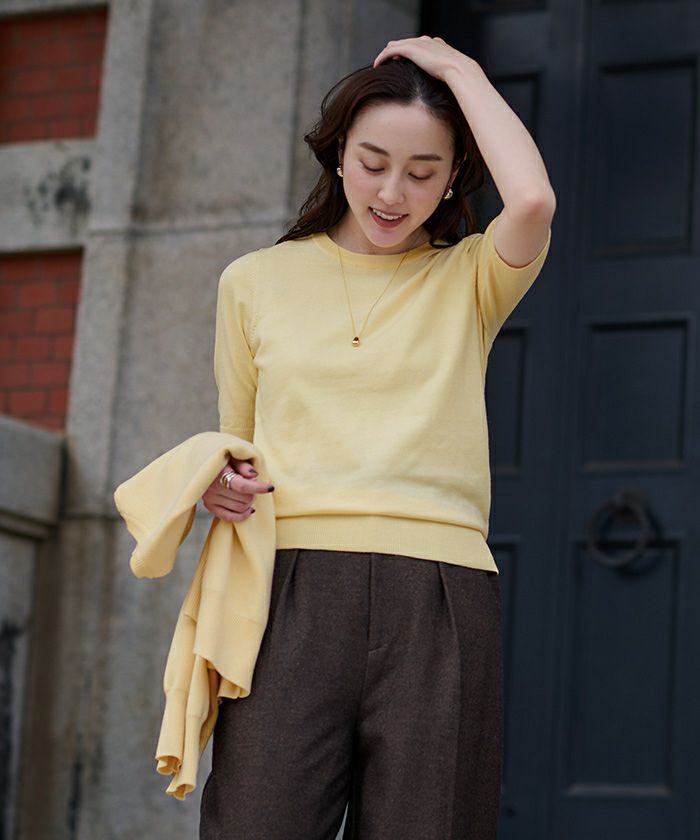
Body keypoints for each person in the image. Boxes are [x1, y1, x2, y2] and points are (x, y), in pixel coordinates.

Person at [199, 35, 555, 840]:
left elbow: (532, 201)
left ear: (454, 176)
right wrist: (220, 485)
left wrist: (459, 70)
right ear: (337, 155)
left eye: (423, 172)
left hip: (440, 593)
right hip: (289, 590)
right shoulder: (254, 281)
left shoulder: (469, 277)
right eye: (372, 163)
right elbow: (237, 443)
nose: (392, 192)